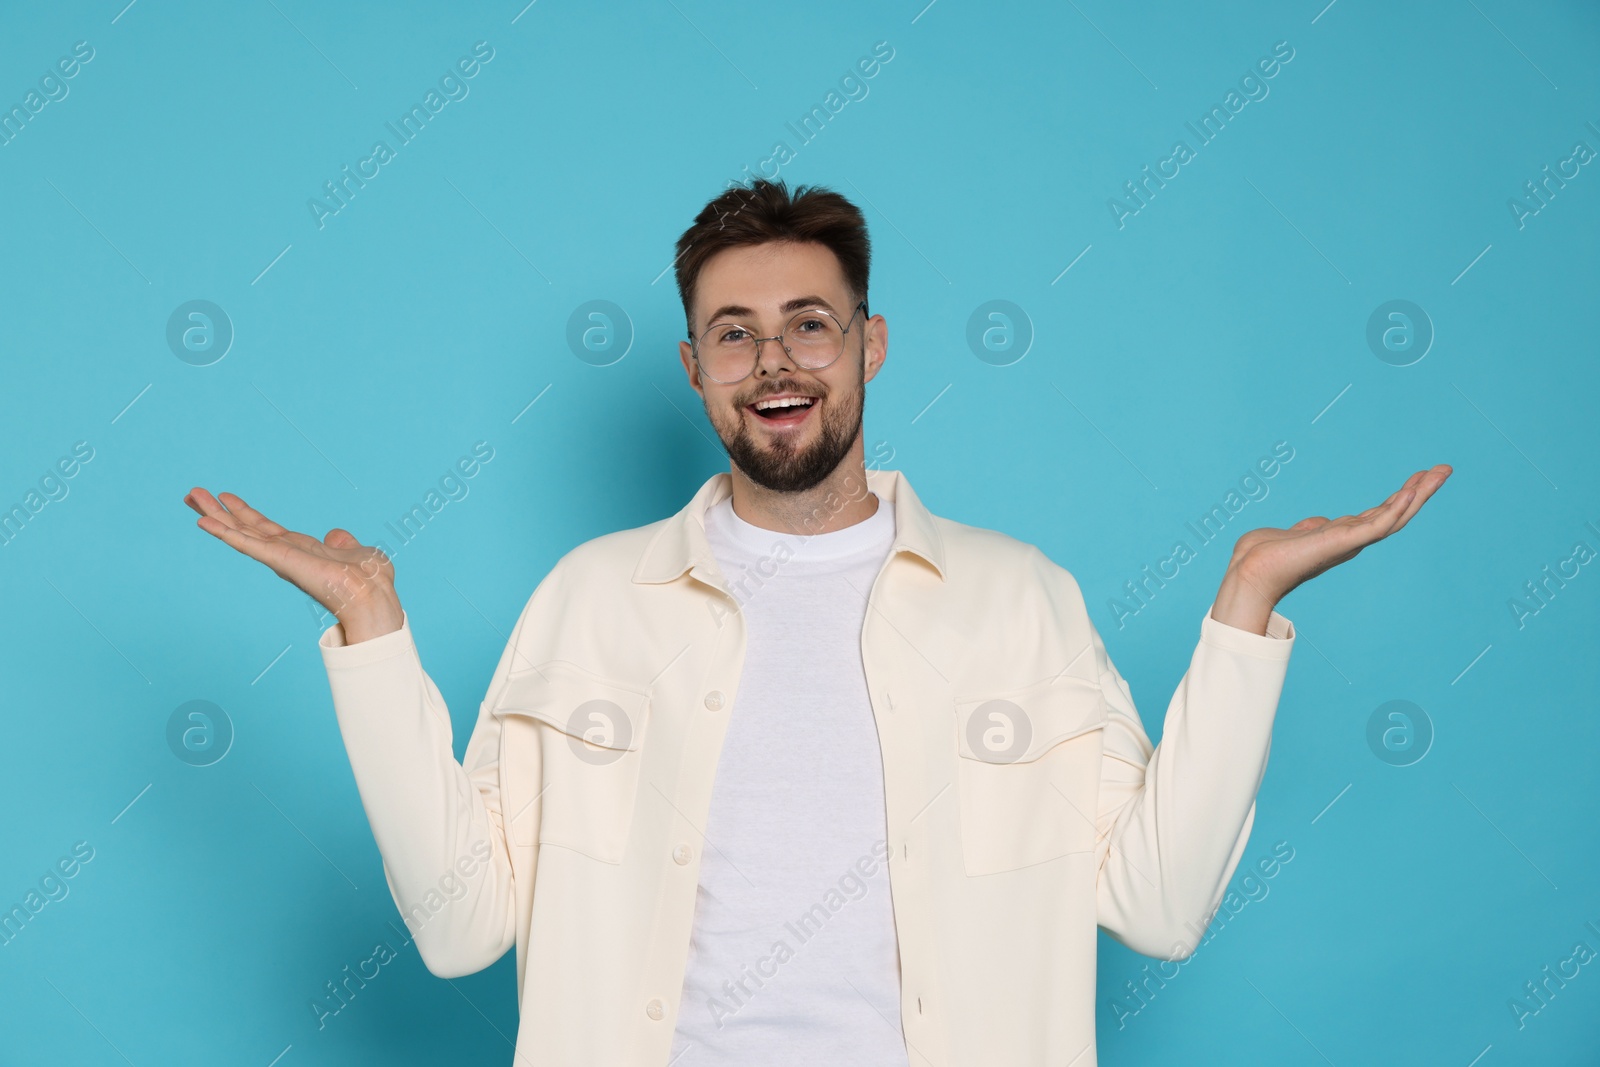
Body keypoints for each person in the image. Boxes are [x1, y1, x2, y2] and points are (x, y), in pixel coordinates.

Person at [184, 177, 1450, 1066]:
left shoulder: (1020, 600)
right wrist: (370, 628)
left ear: (870, 344)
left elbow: (1161, 905)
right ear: (693, 367)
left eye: (808, 325)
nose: (774, 362)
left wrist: (1244, 609)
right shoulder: (588, 600)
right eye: (733, 334)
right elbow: (463, 927)